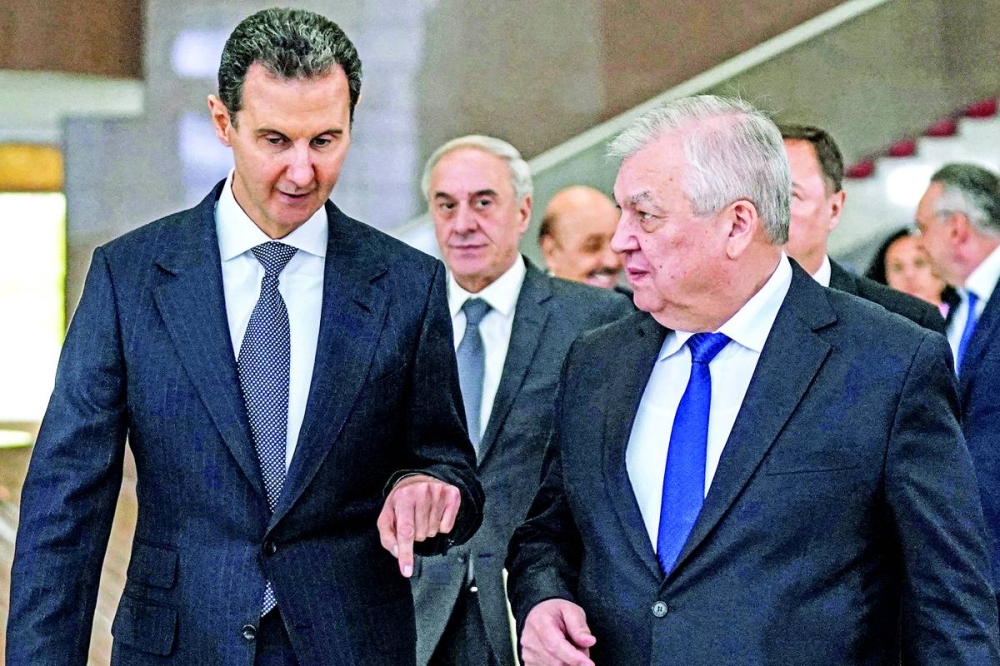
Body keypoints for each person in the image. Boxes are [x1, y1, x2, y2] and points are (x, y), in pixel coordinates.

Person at [8, 9, 483, 666]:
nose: (301, 172)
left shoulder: (407, 284)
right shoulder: (131, 277)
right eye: (275, 140)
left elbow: (447, 463)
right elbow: (66, 499)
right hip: (178, 645)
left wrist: (433, 489)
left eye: (324, 140)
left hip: (350, 645)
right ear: (222, 121)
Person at [506, 95, 1000, 666]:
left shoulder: (888, 362)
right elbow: (549, 533)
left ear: (737, 225)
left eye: (646, 215)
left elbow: (951, 606)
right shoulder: (597, 361)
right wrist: (542, 600)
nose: (621, 240)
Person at [412, 136, 632, 666]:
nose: (463, 223)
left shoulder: (596, 321)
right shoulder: (403, 320)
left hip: (537, 614)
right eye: (446, 205)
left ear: (523, 211)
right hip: (417, 615)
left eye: (483, 202)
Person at [915, 163, 1000, 612]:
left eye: (923, 228)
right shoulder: (956, 309)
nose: (919, 243)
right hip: (968, 557)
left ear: (957, 229)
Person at [780, 124, 945, 332]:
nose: (767, 210)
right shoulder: (737, 308)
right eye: (757, 195)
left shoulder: (904, 321)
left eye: (790, 196)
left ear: (834, 209)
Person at [538, 185, 623, 289]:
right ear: (551, 252)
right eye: (593, 246)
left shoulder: (633, 299)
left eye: (617, 245)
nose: (613, 262)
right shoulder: (523, 298)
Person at [865, 227, 958, 316]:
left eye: (920, 263)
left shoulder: (962, 318)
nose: (909, 274)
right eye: (898, 267)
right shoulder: (873, 324)